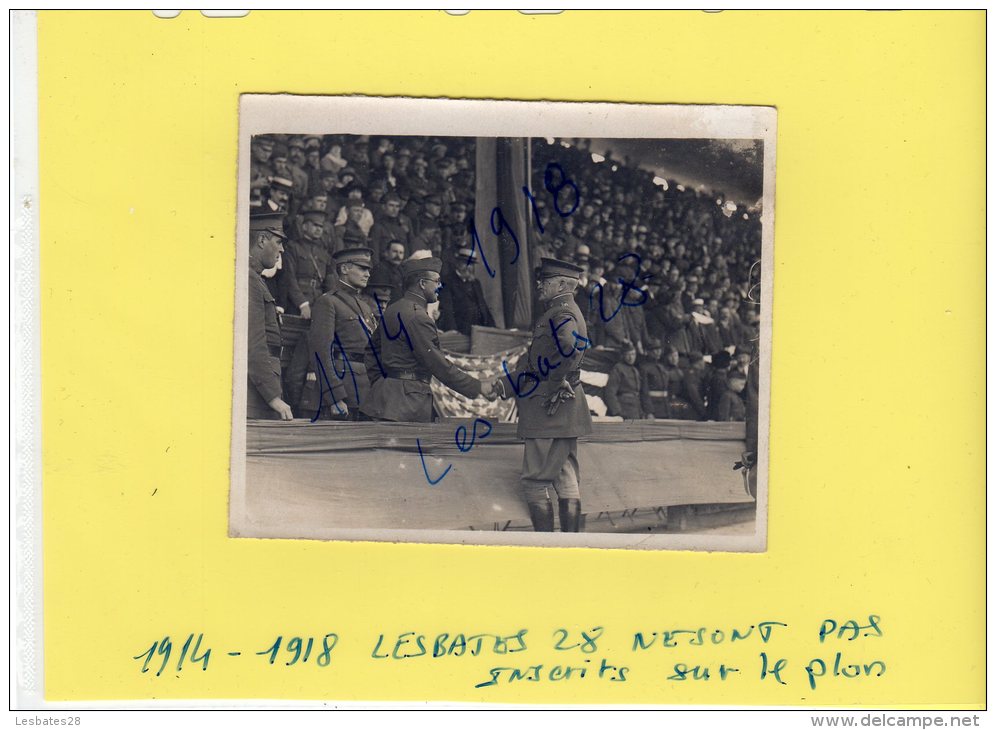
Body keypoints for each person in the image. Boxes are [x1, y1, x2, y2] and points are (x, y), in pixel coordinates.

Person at [493, 258, 593, 533]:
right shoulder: (567, 310)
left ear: (561, 284)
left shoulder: (560, 313)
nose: (539, 285)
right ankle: (570, 548)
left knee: (535, 481)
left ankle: (545, 549)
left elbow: (568, 348)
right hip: (564, 408)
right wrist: (504, 385)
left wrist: (558, 378)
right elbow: (538, 364)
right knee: (565, 474)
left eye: (544, 281)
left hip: (547, 407)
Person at [361, 256, 493, 423]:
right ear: (422, 284)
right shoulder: (418, 317)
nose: (440, 286)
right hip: (408, 404)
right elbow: (437, 364)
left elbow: (371, 351)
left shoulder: (393, 309)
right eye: (436, 281)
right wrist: (478, 386)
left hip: (386, 401)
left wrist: (381, 383)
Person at [303, 247, 378, 420]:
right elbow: (321, 352)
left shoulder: (365, 307)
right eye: (362, 268)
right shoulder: (328, 302)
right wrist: (334, 396)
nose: (367, 274)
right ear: (344, 269)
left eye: (368, 270)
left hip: (367, 393)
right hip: (344, 391)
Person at [247, 212, 293, 421]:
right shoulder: (248, 279)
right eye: (278, 242)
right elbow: (253, 344)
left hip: (262, 388)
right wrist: (273, 396)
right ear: (262, 240)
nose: (282, 249)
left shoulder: (255, 278)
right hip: (257, 393)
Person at [437, 246, 496, 335]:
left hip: (479, 331)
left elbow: (484, 308)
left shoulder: (476, 283)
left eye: (471, 264)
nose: (469, 267)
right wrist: (453, 332)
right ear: (458, 263)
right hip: (461, 333)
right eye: (466, 263)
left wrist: (493, 329)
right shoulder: (447, 282)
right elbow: (447, 310)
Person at [604, 343, 645, 419]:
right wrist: (617, 412)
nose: (631, 357)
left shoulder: (635, 370)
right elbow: (610, 392)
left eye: (633, 354)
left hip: (636, 409)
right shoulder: (618, 369)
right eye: (628, 354)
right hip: (624, 409)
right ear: (623, 355)